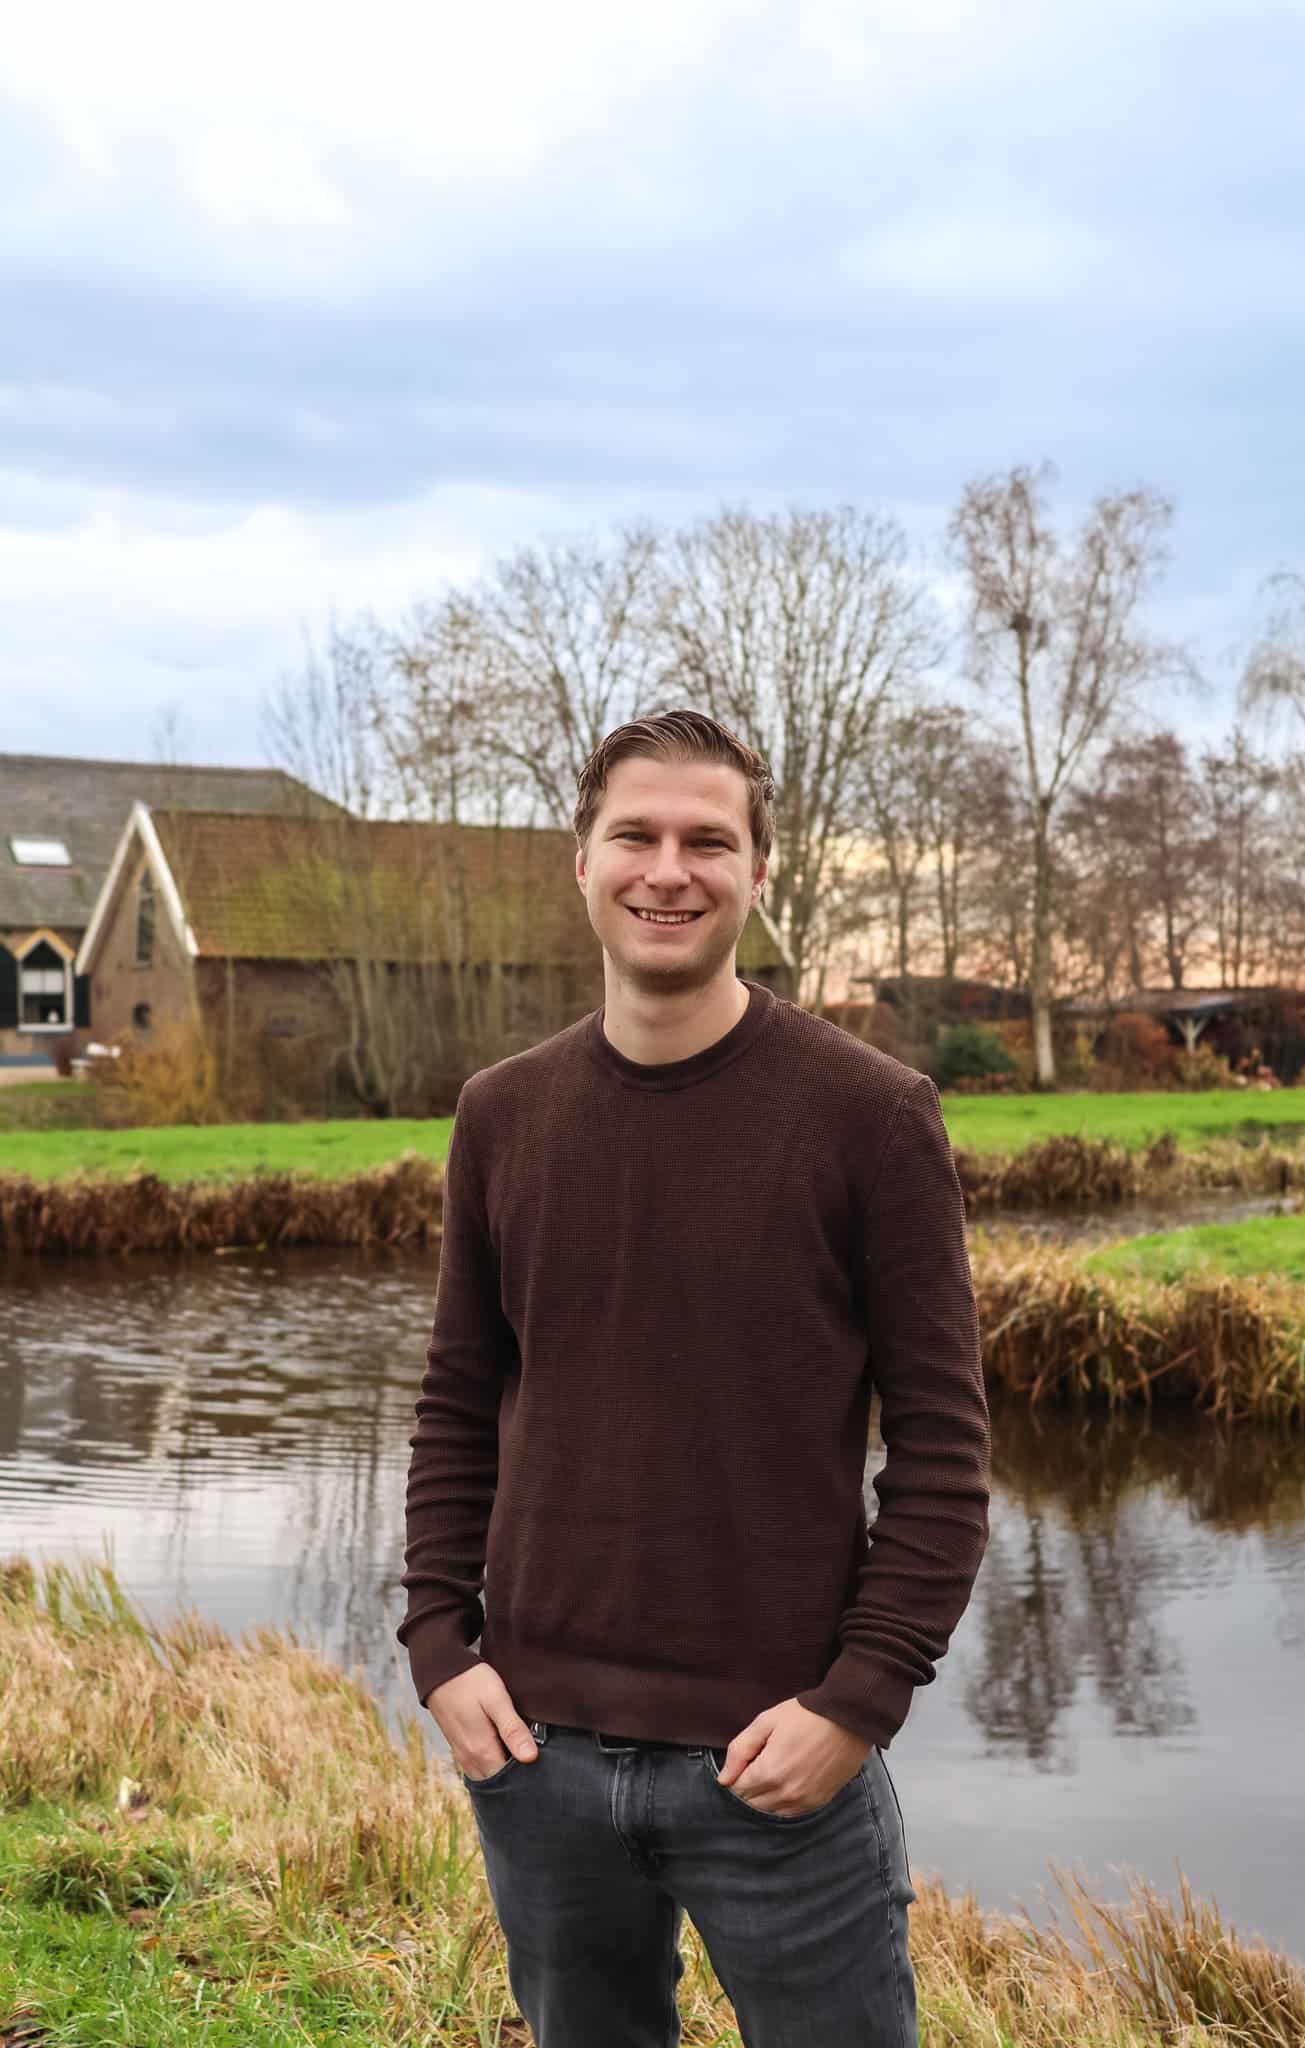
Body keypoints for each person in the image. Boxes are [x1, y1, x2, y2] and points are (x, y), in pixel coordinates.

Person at [397, 708, 991, 2048]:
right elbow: (454, 1406)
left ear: (757, 873)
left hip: (778, 1763)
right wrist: (441, 1648)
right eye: (637, 835)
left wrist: (859, 1700)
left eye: (706, 841)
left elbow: (945, 1453)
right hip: (536, 1756)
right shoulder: (503, 1113)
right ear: (582, 860)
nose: (668, 869)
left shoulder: (869, 1114)